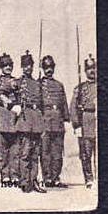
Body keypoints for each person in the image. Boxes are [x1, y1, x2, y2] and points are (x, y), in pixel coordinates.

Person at [14, 51, 46, 193]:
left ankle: (34, 180)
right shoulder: (18, 82)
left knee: (35, 154)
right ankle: (25, 182)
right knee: (25, 153)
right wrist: (13, 105)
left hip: (37, 120)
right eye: (25, 66)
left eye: (30, 65)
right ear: (22, 67)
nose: (28, 68)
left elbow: (43, 104)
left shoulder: (37, 83)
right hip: (25, 120)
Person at [0, 53, 20, 186]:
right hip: (0, 117)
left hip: (14, 118)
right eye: (5, 65)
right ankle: (5, 174)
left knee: (15, 149)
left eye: (9, 65)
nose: (8, 67)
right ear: (1, 67)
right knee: (2, 149)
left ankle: (15, 174)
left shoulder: (17, 81)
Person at [39, 55, 69, 188]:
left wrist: (66, 119)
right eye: (46, 67)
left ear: (54, 68)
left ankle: (56, 177)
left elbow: (64, 103)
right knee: (45, 151)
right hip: (45, 120)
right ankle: (47, 178)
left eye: (51, 67)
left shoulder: (59, 85)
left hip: (58, 121)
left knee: (57, 152)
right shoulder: (38, 84)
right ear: (43, 68)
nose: (48, 70)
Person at [71, 54, 97, 188]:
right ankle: (89, 179)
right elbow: (73, 108)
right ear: (85, 71)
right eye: (89, 69)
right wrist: (76, 125)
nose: (92, 71)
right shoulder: (80, 88)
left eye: (94, 68)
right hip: (85, 121)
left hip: (97, 121)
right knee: (86, 154)